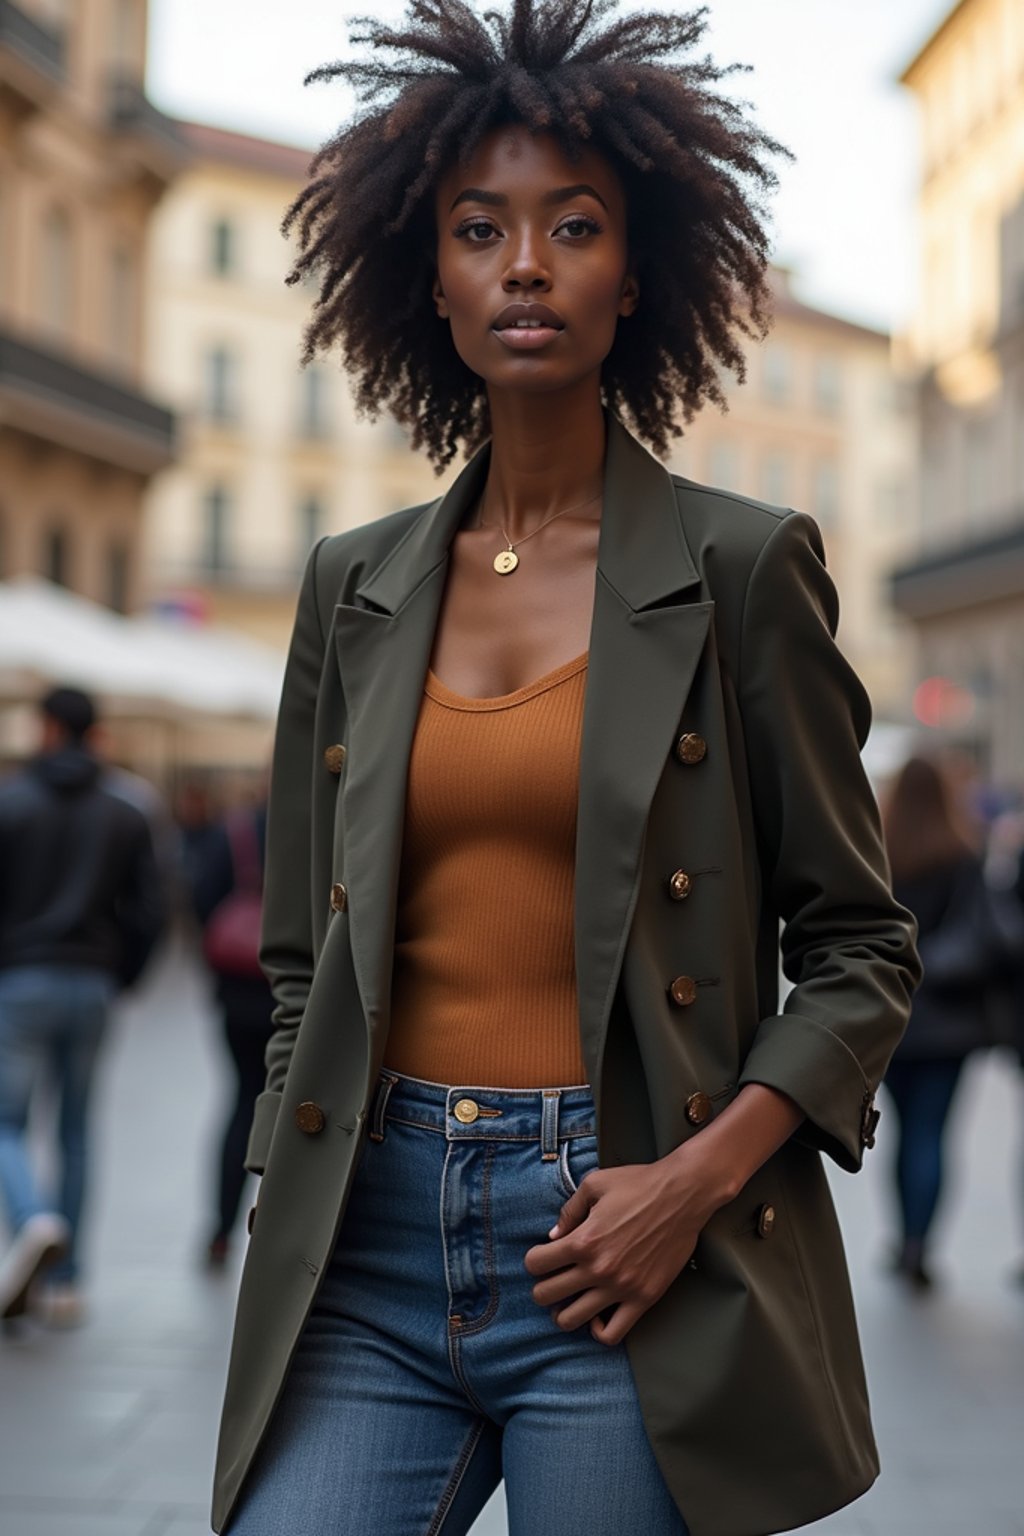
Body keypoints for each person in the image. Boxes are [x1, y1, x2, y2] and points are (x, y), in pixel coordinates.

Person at [213, 5, 921, 1535]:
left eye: (573, 227)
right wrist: (289, 1156)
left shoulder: (742, 569)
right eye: (481, 230)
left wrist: (694, 1183)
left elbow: (861, 953)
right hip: (369, 1248)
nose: (525, 263)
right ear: (433, 279)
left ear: (638, 272)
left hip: (626, 1245)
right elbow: (298, 953)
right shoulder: (354, 584)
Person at [0, 686, 164, 1325]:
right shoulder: (126, 810)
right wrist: (122, 977)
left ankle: (32, 1215)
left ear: (45, 728)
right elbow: (150, 908)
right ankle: (66, 1283)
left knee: (7, 1121)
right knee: (77, 1131)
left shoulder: (10, 802)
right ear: (95, 733)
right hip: (91, 983)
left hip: (19, 980)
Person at [881, 755, 1011, 1290]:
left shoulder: (878, 853)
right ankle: (918, 1244)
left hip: (889, 1020)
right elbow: (981, 936)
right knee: (930, 1135)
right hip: (950, 1024)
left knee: (903, 1134)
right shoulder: (962, 855)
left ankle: (903, 1239)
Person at [190, 797, 274, 1270]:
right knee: (300, 1115)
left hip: (240, 996)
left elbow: (204, 899)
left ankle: (221, 1231)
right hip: (301, 999)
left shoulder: (237, 828)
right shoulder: (328, 825)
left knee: (243, 1103)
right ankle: (281, 1237)